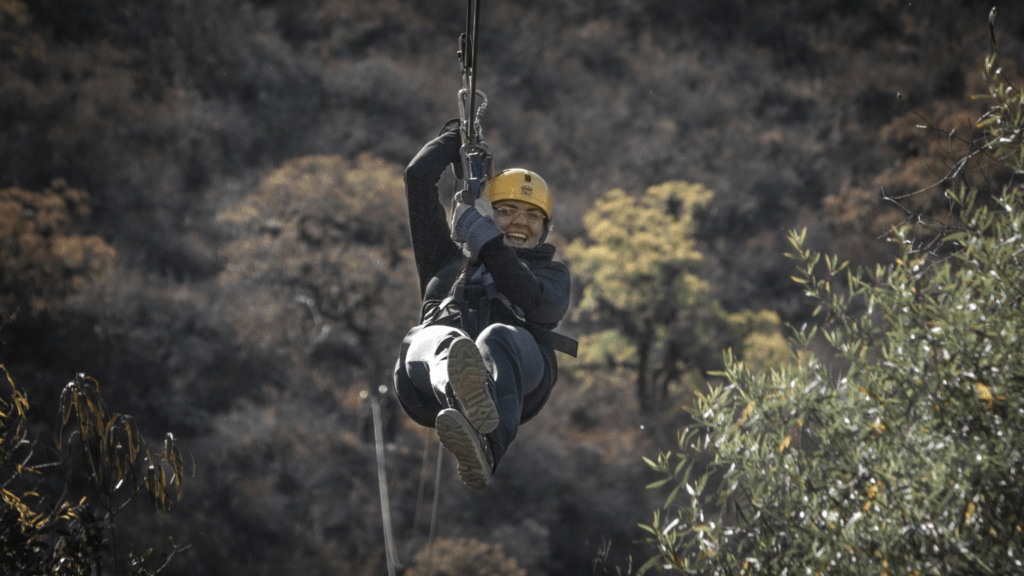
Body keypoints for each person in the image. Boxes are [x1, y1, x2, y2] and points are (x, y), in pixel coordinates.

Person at [393, 121, 576, 490]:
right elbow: (418, 178)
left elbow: (537, 303)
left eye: (533, 215)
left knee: (496, 336)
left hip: (516, 380)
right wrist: (456, 138)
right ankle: (461, 393)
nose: (520, 223)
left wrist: (485, 238)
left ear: (546, 227)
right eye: (507, 210)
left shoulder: (552, 274)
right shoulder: (444, 259)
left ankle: (487, 445)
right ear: (486, 211)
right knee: (437, 336)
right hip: (429, 386)